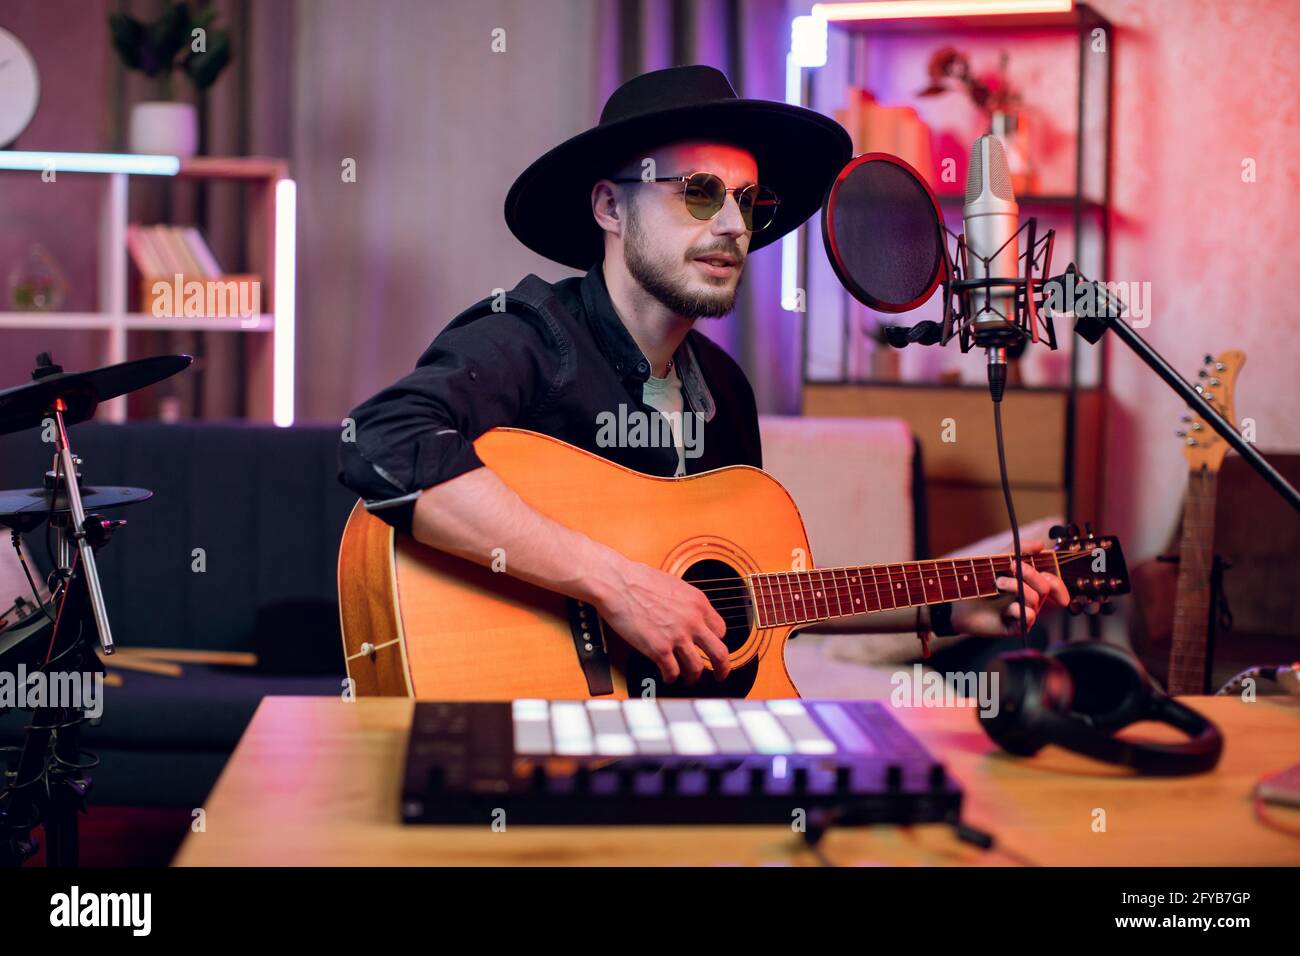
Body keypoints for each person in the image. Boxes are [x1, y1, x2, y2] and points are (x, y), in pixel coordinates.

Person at [338, 65, 1068, 688]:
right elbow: (384, 440)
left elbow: (742, 604)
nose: (733, 226)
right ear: (610, 206)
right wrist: (615, 584)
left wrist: (948, 605)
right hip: (515, 723)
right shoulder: (528, 339)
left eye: (748, 201)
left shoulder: (722, 390)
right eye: (698, 192)